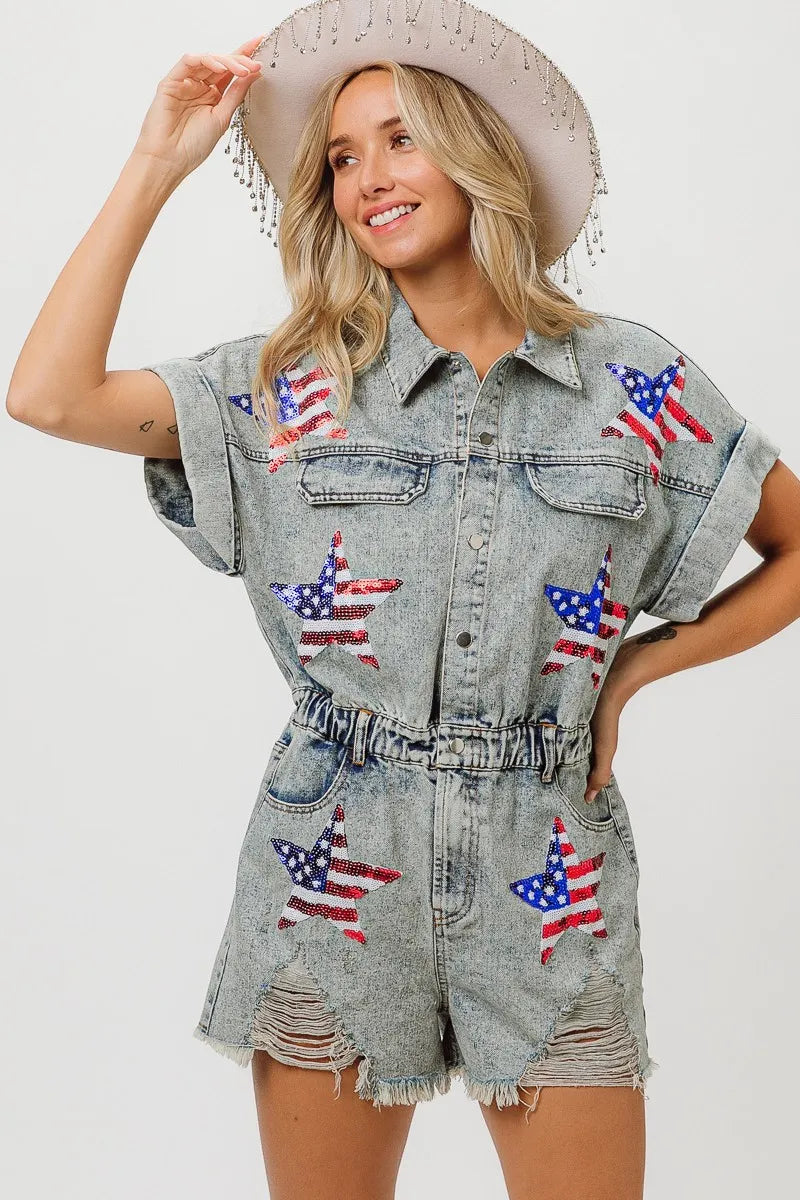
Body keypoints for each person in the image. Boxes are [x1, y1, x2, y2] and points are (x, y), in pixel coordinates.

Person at [7, 7, 800, 1199]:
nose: (367, 178)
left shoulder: (631, 383)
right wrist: (157, 160)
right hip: (335, 854)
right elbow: (48, 395)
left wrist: (636, 668)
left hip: (547, 862)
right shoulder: (286, 387)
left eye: (399, 139)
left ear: (477, 154)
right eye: (340, 157)